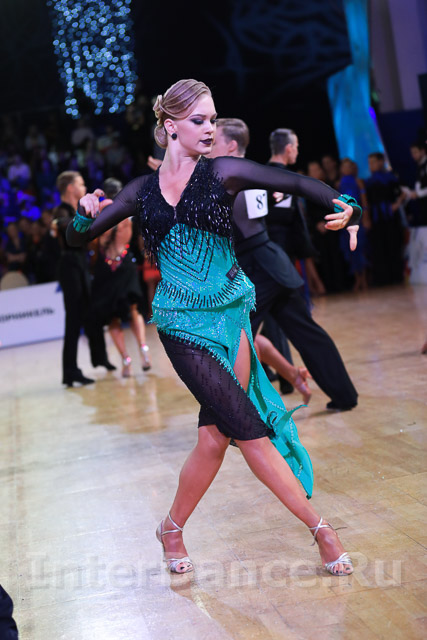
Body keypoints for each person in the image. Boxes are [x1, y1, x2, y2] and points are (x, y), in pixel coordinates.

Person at [67, 79, 361, 576]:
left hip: (231, 316)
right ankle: (322, 530)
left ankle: (171, 528)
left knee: (214, 439)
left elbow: (291, 182)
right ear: (170, 127)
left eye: (212, 119)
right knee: (249, 431)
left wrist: (345, 204)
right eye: (198, 120)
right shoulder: (141, 191)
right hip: (181, 325)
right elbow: (78, 240)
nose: (209, 128)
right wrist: (83, 215)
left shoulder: (223, 172)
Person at [211, 120, 358, 410]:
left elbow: (291, 190)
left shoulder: (236, 175)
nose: (206, 145)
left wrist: (349, 206)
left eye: (213, 140)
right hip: (270, 265)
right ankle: (341, 395)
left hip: (258, 270)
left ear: (230, 146)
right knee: (303, 333)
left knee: (231, 341)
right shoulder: (245, 174)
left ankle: (233, 416)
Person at [53, 171, 114, 387]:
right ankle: (70, 371)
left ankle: (100, 358)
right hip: (69, 267)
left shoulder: (75, 209)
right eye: (80, 184)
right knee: (74, 319)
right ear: (70, 187)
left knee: (91, 312)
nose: (84, 187)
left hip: (81, 264)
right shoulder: (61, 211)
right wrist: (86, 215)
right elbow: (63, 226)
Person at [90, 177, 151, 377]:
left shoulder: (101, 214)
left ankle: (127, 360)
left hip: (107, 268)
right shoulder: (128, 213)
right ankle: (143, 351)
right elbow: (136, 238)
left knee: (113, 318)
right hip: (124, 263)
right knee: (133, 310)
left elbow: (94, 241)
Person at [365, 152, 406, 286]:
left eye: (373, 162)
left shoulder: (391, 178)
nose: (371, 165)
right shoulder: (369, 182)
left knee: (393, 243)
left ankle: (396, 275)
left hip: (390, 216)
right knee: (379, 245)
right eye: (369, 163)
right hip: (376, 217)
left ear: (381, 162)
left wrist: (396, 204)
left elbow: (402, 193)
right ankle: (383, 278)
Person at [338, 158, 370, 292]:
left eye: (349, 166)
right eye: (344, 166)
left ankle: (364, 279)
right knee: (350, 249)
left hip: (358, 218)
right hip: (346, 220)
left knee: (360, 247)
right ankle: (357, 278)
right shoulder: (339, 183)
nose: (346, 169)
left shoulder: (358, 182)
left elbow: (364, 201)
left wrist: (366, 217)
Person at [410, 143, 427, 226]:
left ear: (422, 151)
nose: (413, 155)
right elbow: (419, 184)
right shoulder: (419, 166)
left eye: (415, 152)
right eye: (412, 153)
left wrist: (418, 194)